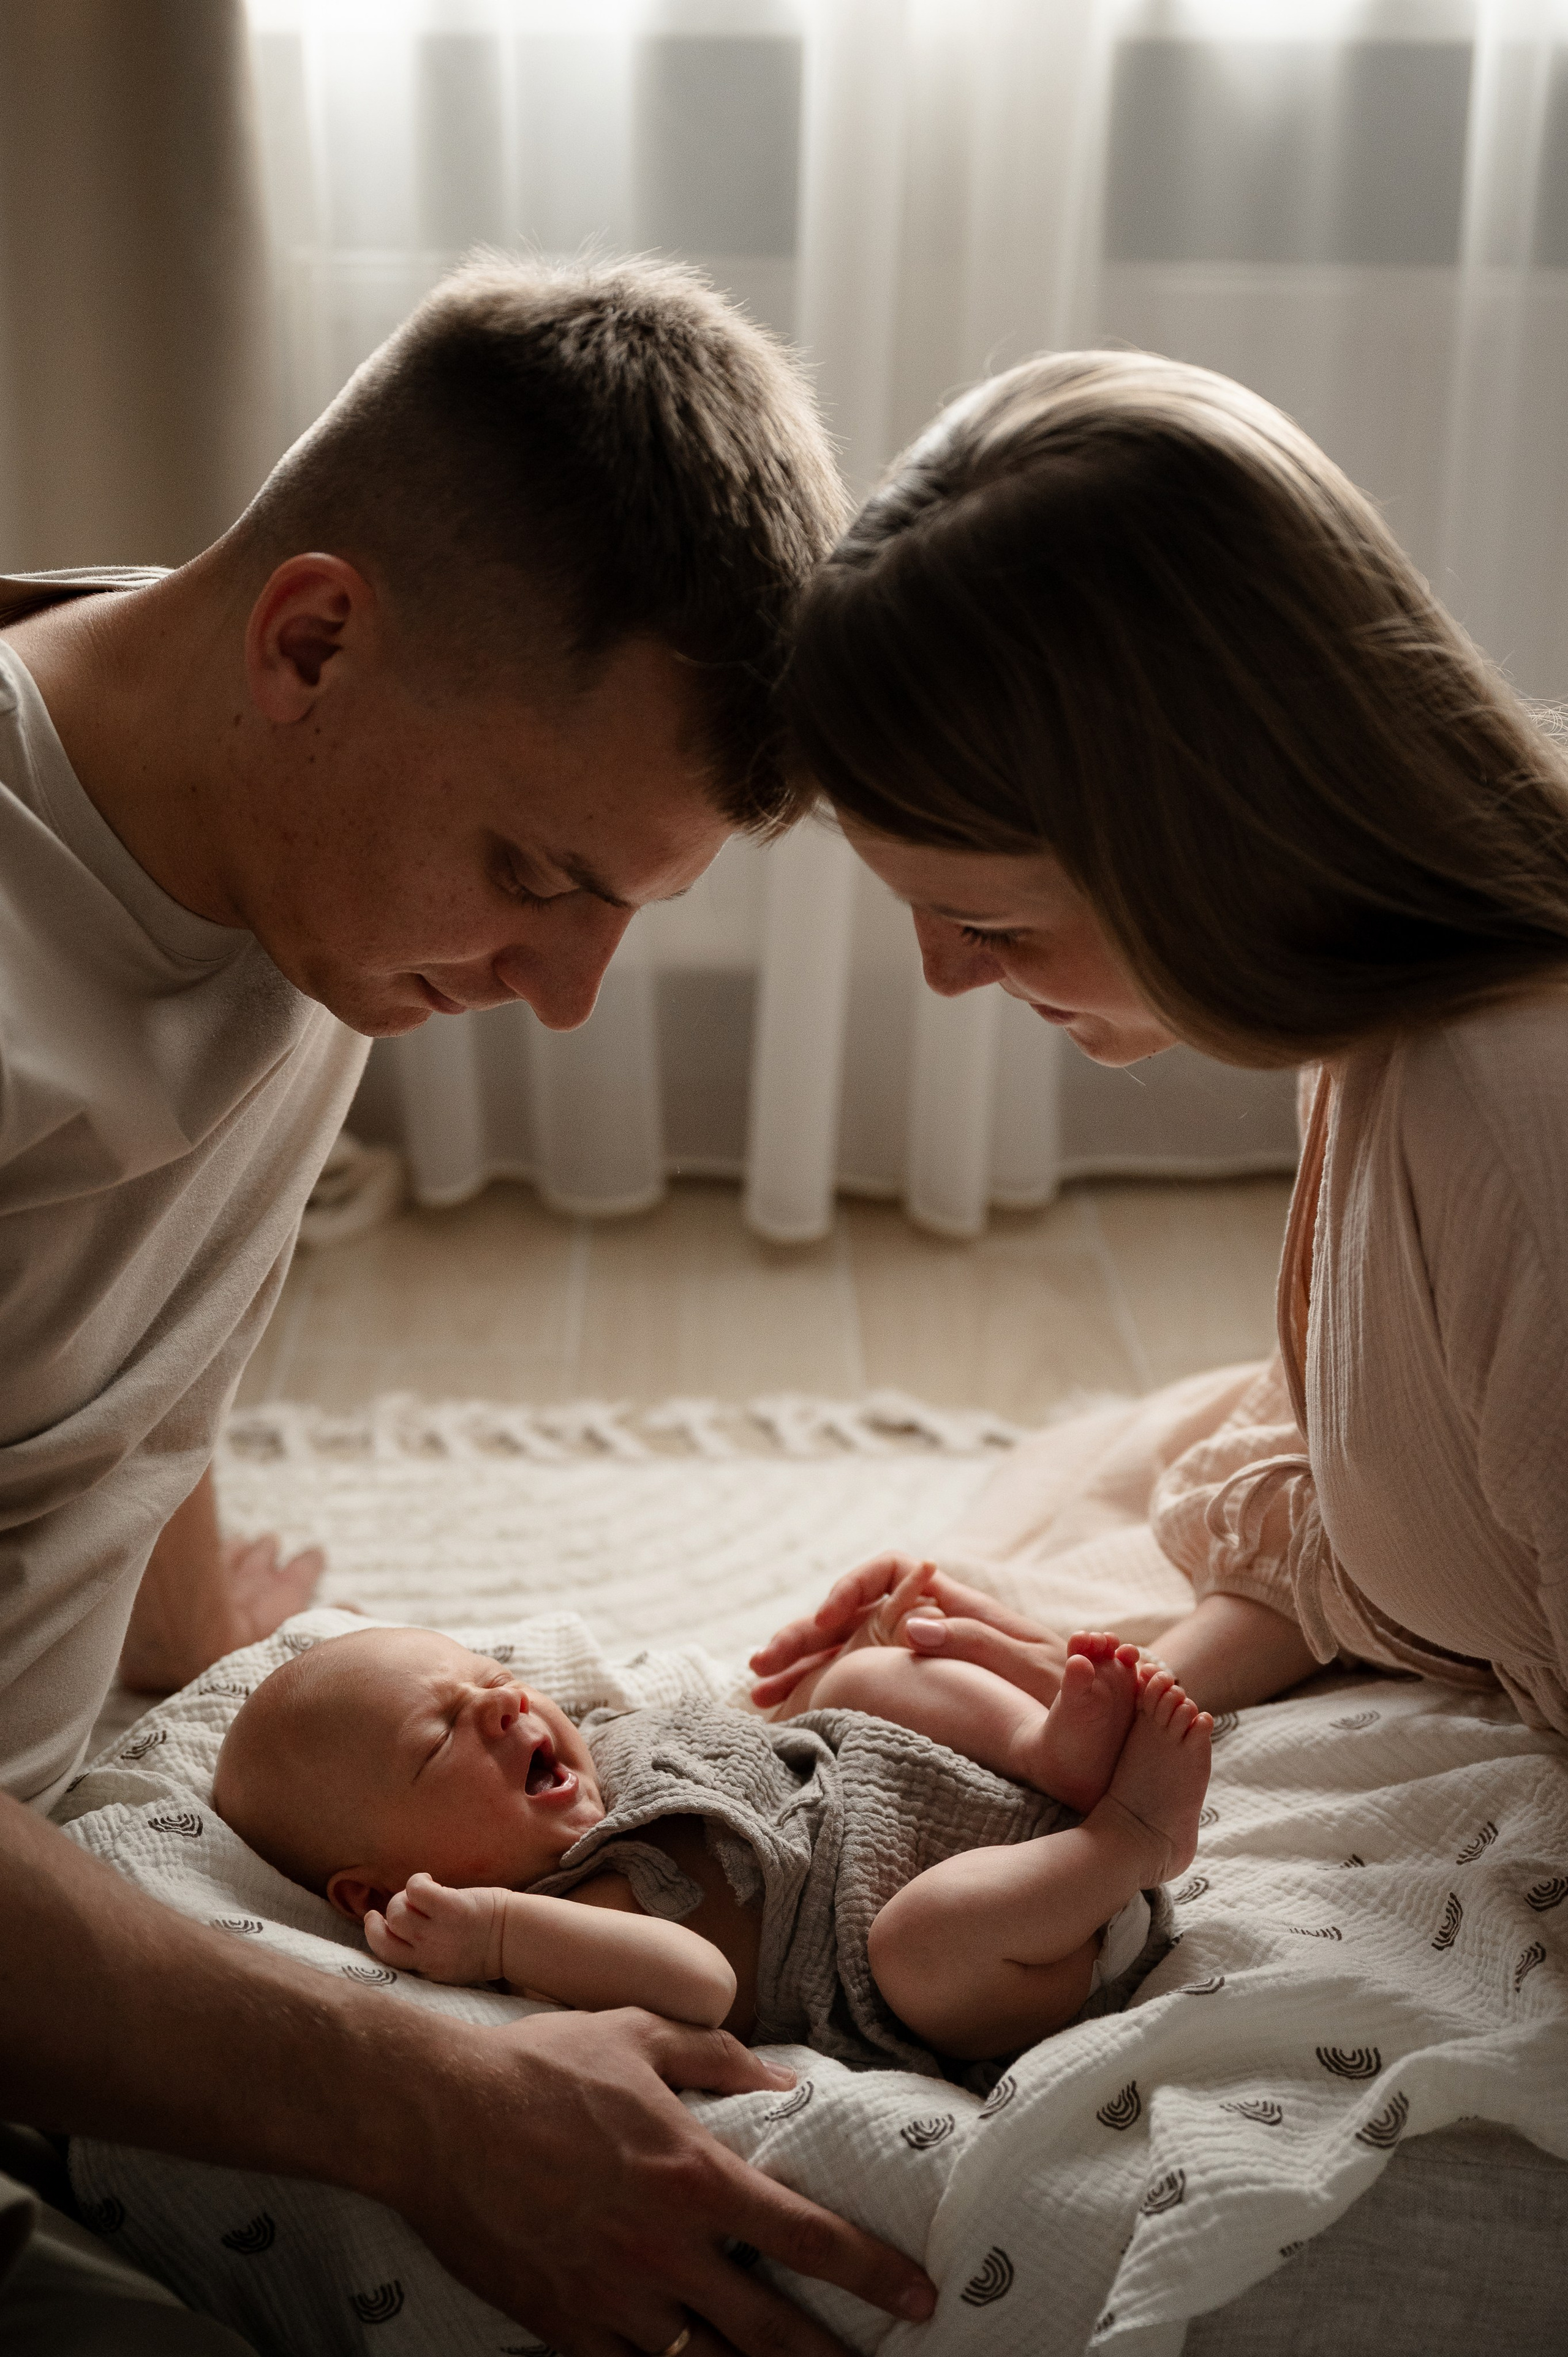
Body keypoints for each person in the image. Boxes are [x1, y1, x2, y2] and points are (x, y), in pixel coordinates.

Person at [0, 254, 943, 2357]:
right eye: (541, 873)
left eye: (628, 901)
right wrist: (427, 2105)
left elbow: (110, 1359)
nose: (565, 988)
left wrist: (204, 1659)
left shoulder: (278, 831)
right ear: (310, 636)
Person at [752, 347, 1568, 1739]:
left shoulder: (1508, 1122)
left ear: (1204, 846)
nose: (945, 978)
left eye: (985, 923)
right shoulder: (1387, 1019)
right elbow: (1375, 1469)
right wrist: (1127, 1680)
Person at [209, 1613, 1205, 2076]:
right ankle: (1134, 1838)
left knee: (856, 1682)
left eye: (485, 1678)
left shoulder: (612, 1742)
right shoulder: (564, 1917)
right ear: (373, 1890)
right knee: (923, 1941)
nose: (504, 1705)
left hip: (916, 1790)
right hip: (1007, 1945)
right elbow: (698, 1987)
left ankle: (1044, 1756)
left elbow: (771, 1727)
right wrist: (500, 1937)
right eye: (440, 1737)